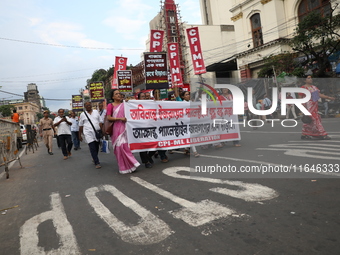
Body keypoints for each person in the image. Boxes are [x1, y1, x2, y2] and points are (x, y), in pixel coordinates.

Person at [106, 89, 140, 174]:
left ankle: (132, 165)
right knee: (119, 148)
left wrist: (129, 102)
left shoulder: (124, 104)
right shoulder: (110, 105)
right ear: (113, 97)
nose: (118, 95)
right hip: (116, 129)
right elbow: (108, 118)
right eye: (116, 94)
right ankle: (123, 167)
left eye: (119, 94)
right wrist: (119, 118)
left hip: (124, 128)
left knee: (125, 146)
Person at [299, 75, 335, 140]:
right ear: (305, 80)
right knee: (315, 120)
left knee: (310, 121)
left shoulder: (314, 87)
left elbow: (317, 96)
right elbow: (300, 98)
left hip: (314, 107)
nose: (311, 79)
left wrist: (328, 97)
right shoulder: (303, 88)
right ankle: (323, 134)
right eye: (308, 78)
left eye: (311, 78)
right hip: (308, 107)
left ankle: (304, 134)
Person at [174, 87, 200, 157]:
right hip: (184, 122)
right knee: (190, 136)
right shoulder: (181, 103)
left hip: (191, 121)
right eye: (186, 94)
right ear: (182, 96)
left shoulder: (191, 102)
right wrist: (175, 86)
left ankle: (186, 148)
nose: (188, 95)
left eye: (188, 94)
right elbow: (176, 95)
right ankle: (195, 152)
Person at [79, 102, 103, 169]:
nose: (88, 106)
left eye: (89, 105)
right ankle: (97, 162)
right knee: (92, 147)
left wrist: (102, 131)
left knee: (96, 146)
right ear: (84, 106)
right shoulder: (83, 114)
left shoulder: (96, 112)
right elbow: (80, 125)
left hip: (97, 132)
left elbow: (100, 122)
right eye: (87, 105)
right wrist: (79, 135)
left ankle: (94, 157)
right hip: (88, 133)